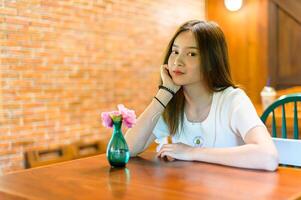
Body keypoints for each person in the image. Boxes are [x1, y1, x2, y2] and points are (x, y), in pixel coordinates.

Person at [124, 20, 278, 171]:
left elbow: (268, 157)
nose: (177, 61)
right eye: (175, 51)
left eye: (191, 54)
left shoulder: (233, 100)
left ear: (211, 62)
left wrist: (191, 152)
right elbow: (126, 150)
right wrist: (165, 93)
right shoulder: (172, 104)